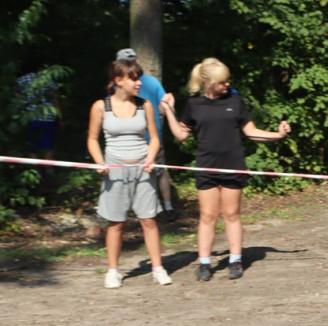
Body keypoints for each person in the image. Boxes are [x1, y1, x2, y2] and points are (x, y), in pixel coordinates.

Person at [160, 58, 291, 281]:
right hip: (206, 167)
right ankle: (203, 264)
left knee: (231, 214)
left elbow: (250, 132)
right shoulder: (194, 105)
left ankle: (235, 260)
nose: (227, 85)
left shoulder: (235, 101)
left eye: (227, 80)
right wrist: (169, 111)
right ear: (208, 82)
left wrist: (278, 135)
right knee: (207, 216)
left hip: (233, 167)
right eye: (222, 81)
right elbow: (181, 135)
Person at [86, 59, 172, 289]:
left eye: (138, 78)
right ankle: (113, 271)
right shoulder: (100, 107)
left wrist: (151, 157)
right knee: (116, 223)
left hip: (143, 170)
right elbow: (92, 139)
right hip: (115, 171)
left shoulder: (145, 105)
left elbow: (154, 138)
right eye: (133, 78)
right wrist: (99, 162)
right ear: (118, 80)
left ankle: (158, 268)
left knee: (149, 221)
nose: (138, 83)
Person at [116, 48, 176, 220]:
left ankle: (166, 207)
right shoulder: (119, 85)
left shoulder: (149, 82)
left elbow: (163, 108)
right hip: (130, 139)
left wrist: (168, 105)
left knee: (159, 171)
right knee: (151, 173)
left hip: (152, 137)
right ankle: (159, 207)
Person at [16, 59, 62, 160]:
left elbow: (17, 101)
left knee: (32, 145)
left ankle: (35, 169)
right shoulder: (48, 80)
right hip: (48, 117)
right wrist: (60, 118)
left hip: (29, 117)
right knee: (48, 144)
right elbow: (55, 100)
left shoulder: (20, 81)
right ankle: (48, 168)